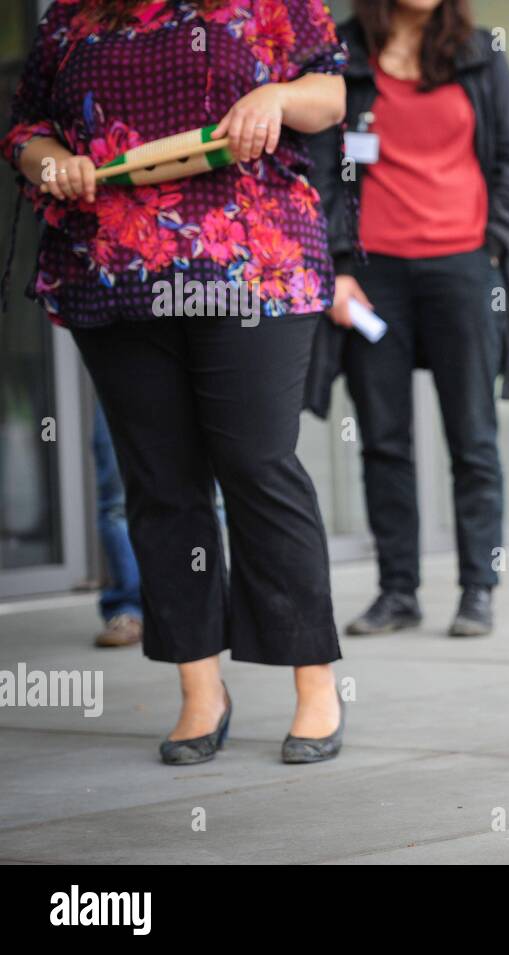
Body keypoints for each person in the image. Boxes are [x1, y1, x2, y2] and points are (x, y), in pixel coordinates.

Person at [3, 0, 349, 765]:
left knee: (258, 464)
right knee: (160, 482)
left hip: (249, 263)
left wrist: (278, 97)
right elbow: (26, 125)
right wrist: (49, 160)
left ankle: (315, 682)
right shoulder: (71, 15)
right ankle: (201, 688)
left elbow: (329, 91)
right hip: (115, 273)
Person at [306, 0, 509, 639]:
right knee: (384, 440)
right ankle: (397, 593)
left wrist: (492, 245)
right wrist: (336, 263)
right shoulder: (341, 54)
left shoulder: (479, 51)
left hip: (464, 269)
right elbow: (320, 171)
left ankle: (477, 589)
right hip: (371, 275)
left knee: (473, 436)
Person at [90, 402, 142, 649]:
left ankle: (199, 612)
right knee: (116, 502)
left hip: (203, 368)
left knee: (206, 496)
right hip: (123, 367)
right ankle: (128, 609)